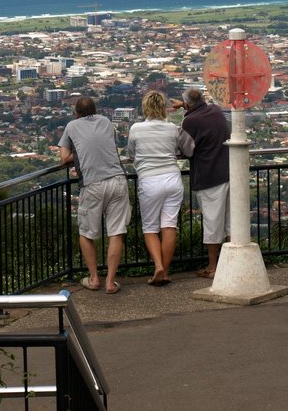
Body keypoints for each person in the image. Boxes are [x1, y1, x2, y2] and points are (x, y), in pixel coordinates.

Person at [58, 95, 131, 294]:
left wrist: (78, 154)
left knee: (86, 233)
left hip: (92, 183)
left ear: (77, 113)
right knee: (116, 232)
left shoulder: (72, 126)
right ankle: (110, 282)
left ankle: (93, 278)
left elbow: (64, 158)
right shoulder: (106, 122)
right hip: (117, 179)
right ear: (96, 110)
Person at [128, 90, 194, 287]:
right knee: (169, 226)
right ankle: (164, 271)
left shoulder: (136, 129)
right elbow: (189, 149)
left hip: (149, 180)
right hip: (172, 179)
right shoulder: (173, 129)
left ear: (146, 108)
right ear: (163, 108)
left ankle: (158, 266)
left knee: (150, 228)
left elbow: (132, 153)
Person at [178, 87, 231, 279]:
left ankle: (213, 266)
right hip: (228, 171)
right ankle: (233, 263)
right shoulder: (215, 110)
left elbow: (186, 150)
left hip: (208, 176)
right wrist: (185, 106)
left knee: (212, 222)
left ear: (187, 104)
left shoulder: (190, 121)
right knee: (231, 222)